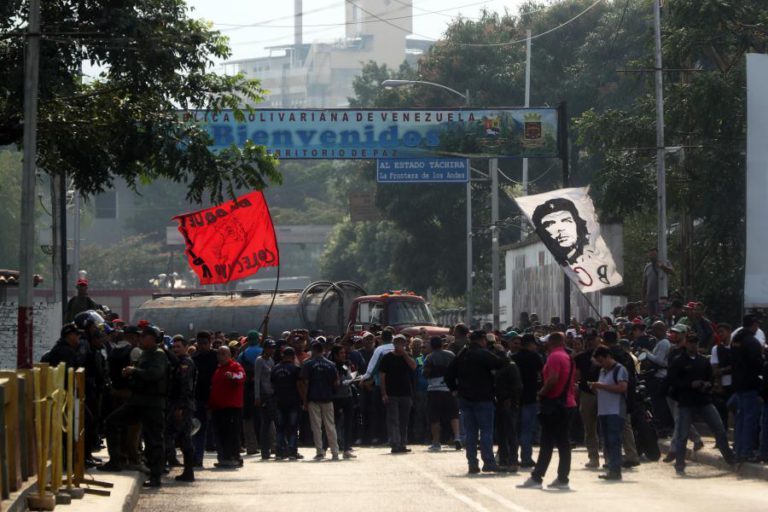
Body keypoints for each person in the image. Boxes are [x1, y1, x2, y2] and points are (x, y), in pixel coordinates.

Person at [102, 325, 169, 488]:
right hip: (138, 401)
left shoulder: (158, 355)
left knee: (154, 439)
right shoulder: (144, 354)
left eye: (143, 337)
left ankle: (155, 475)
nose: (140, 339)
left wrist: (135, 371)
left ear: (152, 339)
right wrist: (130, 373)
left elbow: (154, 374)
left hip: (152, 403)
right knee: (111, 422)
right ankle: (116, 460)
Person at [668, 335, 735, 474]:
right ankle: (679, 464)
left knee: (719, 429)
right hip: (686, 402)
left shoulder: (703, 361)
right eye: (691, 343)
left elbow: (710, 378)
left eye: (696, 343)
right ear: (686, 344)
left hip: (704, 401)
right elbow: (673, 382)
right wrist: (689, 384)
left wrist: (707, 385)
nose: (693, 346)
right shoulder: (678, 361)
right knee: (682, 435)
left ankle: (730, 459)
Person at [519, 332, 576, 490]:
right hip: (568, 403)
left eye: (546, 342)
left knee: (547, 442)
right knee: (563, 443)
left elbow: (552, 379)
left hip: (555, 404)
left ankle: (537, 478)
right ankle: (563, 479)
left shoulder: (554, 357)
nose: (544, 344)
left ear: (552, 342)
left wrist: (541, 393)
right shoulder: (568, 356)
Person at [445, 330, 505, 474]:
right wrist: (500, 350)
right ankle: (488, 462)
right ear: (482, 340)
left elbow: (448, 375)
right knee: (486, 431)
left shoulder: (462, 354)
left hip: (465, 398)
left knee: (471, 433)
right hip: (483, 397)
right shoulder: (482, 353)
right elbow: (500, 363)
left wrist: (454, 389)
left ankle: (472, 463)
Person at [589, 346, 628, 481]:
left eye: (601, 360)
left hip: (615, 411)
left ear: (607, 357)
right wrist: (595, 387)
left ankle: (616, 470)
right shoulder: (602, 371)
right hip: (604, 411)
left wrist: (601, 386)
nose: (601, 363)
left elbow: (622, 388)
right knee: (607, 442)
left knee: (614, 441)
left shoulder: (619, 370)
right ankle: (612, 468)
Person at [731, 314, 764, 462]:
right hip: (750, 385)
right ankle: (746, 451)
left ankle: (738, 450)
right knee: (750, 420)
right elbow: (757, 365)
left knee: (740, 419)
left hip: (738, 385)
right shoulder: (752, 342)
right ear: (754, 325)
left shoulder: (735, 340)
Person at [302, 342, 340, 461]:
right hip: (328, 398)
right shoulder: (331, 364)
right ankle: (335, 452)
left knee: (316, 426)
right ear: (322, 350)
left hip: (313, 398)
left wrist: (305, 400)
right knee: (330, 426)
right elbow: (336, 382)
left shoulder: (308, 364)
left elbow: (305, 383)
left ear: (313, 350)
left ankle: (320, 451)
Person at [209, 346, 246, 468]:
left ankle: (234, 457)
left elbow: (241, 376)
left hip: (231, 407)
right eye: (219, 354)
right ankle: (224, 457)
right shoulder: (218, 370)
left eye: (224, 354)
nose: (221, 356)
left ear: (230, 355)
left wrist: (233, 376)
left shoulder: (235, 366)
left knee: (232, 433)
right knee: (221, 433)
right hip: (218, 408)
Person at [380, 334, 417, 454]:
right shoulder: (387, 357)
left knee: (404, 420)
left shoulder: (408, 356)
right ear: (393, 344)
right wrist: (384, 393)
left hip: (406, 393)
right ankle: (395, 443)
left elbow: (413, 366)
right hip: (392, 393)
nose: (399, 345)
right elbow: (382, 377)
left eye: (402, 343)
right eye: (397, 343)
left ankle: (402, 443)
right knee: (394, 420)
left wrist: (405, 354)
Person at [423, 336, 461, 452]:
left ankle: (436, 442)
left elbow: (426, 373)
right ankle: (457, 438)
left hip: (434, 390)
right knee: (453, 415)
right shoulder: (451, 355)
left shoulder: (429, 357)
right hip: (450, 390)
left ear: (432, 345)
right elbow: (457, 370)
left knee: (435, 417)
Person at [167, 336, 197, 482]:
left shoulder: (186, 363)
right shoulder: (178, 362)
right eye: (174, 347)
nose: (176, 349)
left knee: (185, 438)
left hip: (183, 405)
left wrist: (179, 407)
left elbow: (184, 387)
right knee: (180, 437)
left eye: (179, 346)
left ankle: (189, 471)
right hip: (179, 404)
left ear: (186, 347)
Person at [513, 334, 544, 468]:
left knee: (514, 429)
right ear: (530, 344)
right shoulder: (535, 357)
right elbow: (543, 373)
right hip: (530, 397)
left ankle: (512, 457)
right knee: (527, 429)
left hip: (515, 398)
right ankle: (526, 458)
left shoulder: (513, 358)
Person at [191, 331, 218, 467]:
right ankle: (197, 458)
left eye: (205, 343)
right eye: (200, 343)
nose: (202, 346)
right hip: (199, 399)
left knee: (219, 429)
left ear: (210, 343)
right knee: (198, 430)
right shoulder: (194, 358)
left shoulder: (216, 356)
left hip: (216, 399)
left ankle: (225, 456)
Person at [271, 347, 304, 460]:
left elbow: (272, 384)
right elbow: (300, 385)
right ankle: (292, 451)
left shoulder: (275, 368)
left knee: (280, 427)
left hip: (279, 401)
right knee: (293, 427)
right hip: (293, 401)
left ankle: (279, 451)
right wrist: (304, 399)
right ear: (293, 356)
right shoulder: (295, 369)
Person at [574, 331, 601, 468]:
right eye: (588, 339)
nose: (590, 342)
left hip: (605, 393)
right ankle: (593, 457)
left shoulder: (606, 355)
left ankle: (609, 459)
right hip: (587, 393)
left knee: (606, 427)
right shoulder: (580, 357)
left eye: (593, 338)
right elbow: (576, 376)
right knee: (589, 427)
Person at [642, 321, 673, 435]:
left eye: (655, 330)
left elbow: (659, 361)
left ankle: (663, 427)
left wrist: (647, 353)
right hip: (656, 376)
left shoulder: (664, 343)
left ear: (661, 329)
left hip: (660, 377)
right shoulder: (660, 342)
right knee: (657, 404)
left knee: (660, 405)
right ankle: (661, 427)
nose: (654, 333)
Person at [494, 347, 522, 471]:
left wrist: (510, 399)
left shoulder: (511, 367)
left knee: (510, 433)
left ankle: (513, 460)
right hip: (499, 402)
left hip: (508, 403)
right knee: (501, 433)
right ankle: (504, 460)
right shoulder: (501, 367)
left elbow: (518, 386)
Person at [237, 329, 262, 455]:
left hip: (246, 390)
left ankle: (251, 446)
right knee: (266, 418)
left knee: (248, 419)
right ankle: (269, 444)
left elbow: (238, 367)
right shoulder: (262, 352)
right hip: (262, 390)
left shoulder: (243, 354)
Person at [330, 345, 357, 459]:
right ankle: (332, 447)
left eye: (344, 353)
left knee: (348, 423)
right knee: (333, 424)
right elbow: (334, 382)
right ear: (335, 355)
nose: (343, 355)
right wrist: (342, 382)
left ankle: (346, 448)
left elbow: (349, 375)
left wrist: (352, 379)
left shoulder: (346, 364)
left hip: (348, 396)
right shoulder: (331, 366)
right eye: (341, 353)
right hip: (336, 397)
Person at [254, 339, 276, 460]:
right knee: (265, 423)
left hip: (272, 394)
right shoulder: (259, 360)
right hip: (263, 395)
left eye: (273, 348)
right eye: (269, 347)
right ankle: (264, 450)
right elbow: (257, 379)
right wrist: (257, 396)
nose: (271, 350)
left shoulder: (271, 360)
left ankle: (273, 447)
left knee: (271, 422)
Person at [641, 248, 674, 317]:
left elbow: (672, 272)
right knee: (651, 318)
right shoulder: (647, 267)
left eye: (654, 255)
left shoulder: (665, 262)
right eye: (650, 255)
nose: (652, 256)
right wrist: (643, 298)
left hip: (661, 298)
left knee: (660, 317)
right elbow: (644, 283)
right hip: (650, 298)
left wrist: (662, 266)